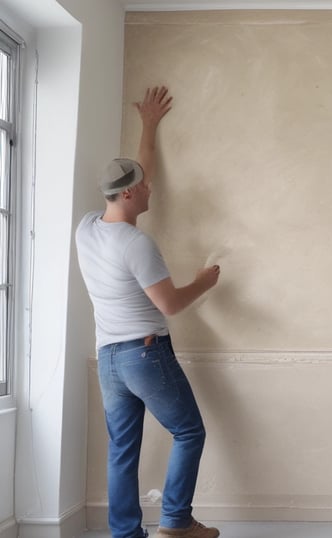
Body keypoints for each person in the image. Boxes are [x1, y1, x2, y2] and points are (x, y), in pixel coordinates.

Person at [76, 86, 222, 538]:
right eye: (144, 186)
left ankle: (125, 535)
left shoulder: (87, 229)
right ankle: (176, 521)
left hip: (109, 360)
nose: (151, 187)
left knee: (122, 449)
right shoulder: (138, 245)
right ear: (132, 194)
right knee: (189, 432)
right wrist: (205, 281)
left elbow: (139, 173)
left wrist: (149, 125)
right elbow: (171, 304)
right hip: (145, 354)